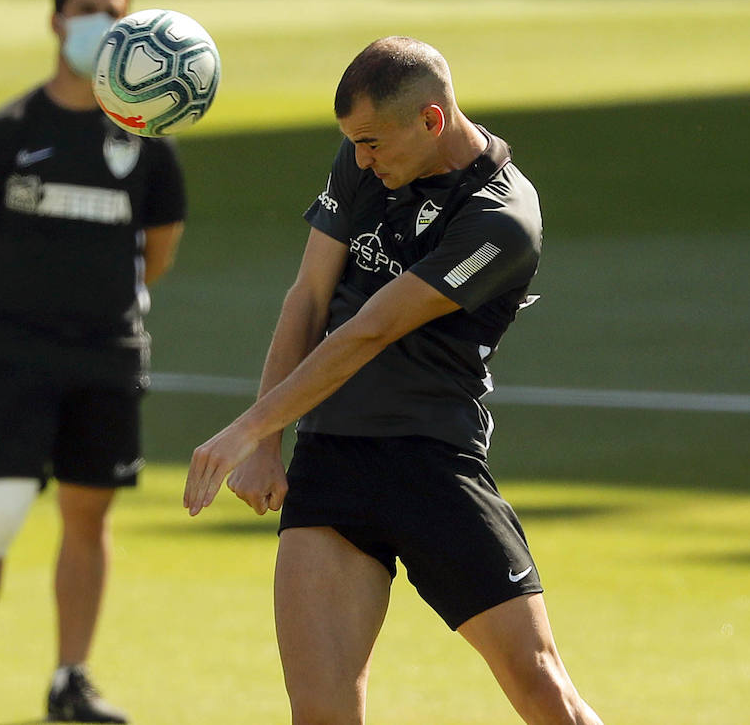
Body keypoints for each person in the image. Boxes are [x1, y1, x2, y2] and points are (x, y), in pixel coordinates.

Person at [182, 36, 603, 725]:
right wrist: (267, 444)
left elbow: (370, 331)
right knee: (320, 713)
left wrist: (244, 428)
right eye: (353, 143)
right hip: (332, 463)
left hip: (430, 464)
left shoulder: (501, 220)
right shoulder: (363, 162)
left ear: (431, 121)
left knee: (542, 692)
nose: (361, 159)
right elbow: (308, 299)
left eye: (373, 142)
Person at [0, 0, 186, 725]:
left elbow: (159, 249)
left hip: (107, 353)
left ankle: (70, 679)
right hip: (15, 355)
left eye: (117, 10)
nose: (102, 23)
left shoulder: (148, 142)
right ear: (56, 20)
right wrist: (9, 306)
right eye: (89, 9)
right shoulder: (8, 132)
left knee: (89, 514)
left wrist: (106, 305)